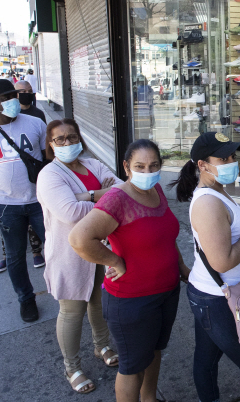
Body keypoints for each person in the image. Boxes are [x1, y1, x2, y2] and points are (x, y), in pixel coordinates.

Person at [69, 139, 190, 402]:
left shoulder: (156, 189)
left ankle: (149, 399)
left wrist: (181, 266)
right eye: (140, 166)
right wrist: (114, 261)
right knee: (132, 367)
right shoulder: (116, 199)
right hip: (132, 301)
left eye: (154, 165)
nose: (147, 172)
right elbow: (79, 239)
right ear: (126, 167)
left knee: (155, 351)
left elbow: (165, 237)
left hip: (166, 291)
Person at [171, 132, 240, 402]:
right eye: (223, 158)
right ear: (202, 165)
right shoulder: (208, 202)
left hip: (215, 295)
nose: (232, 161)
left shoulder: (218, 190)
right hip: (218, 298)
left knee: (206, 359)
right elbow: (222, 261)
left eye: (232, 156)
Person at [37, 119, 121, 394]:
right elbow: (70, 213)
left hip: (100, 247)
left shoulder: (93, 164)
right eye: (59, 139)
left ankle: (102, 345)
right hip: (68, 253)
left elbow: (120, 191)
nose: (67, 143)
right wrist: (99, 194)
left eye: (72, 137)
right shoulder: (50, 175)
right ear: (50, 145)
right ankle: (72, 367)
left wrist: (84, 195)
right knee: (72, 310)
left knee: (98, 301)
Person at [0, 79, 48, 322]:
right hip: (6, 206)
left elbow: (50, 160)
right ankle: (26, 299)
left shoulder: (36, 124)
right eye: (6, 98)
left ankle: (69, 291)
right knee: (15, 255)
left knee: (57, 245)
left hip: (40, 201)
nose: (13, 100)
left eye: (14, 95)